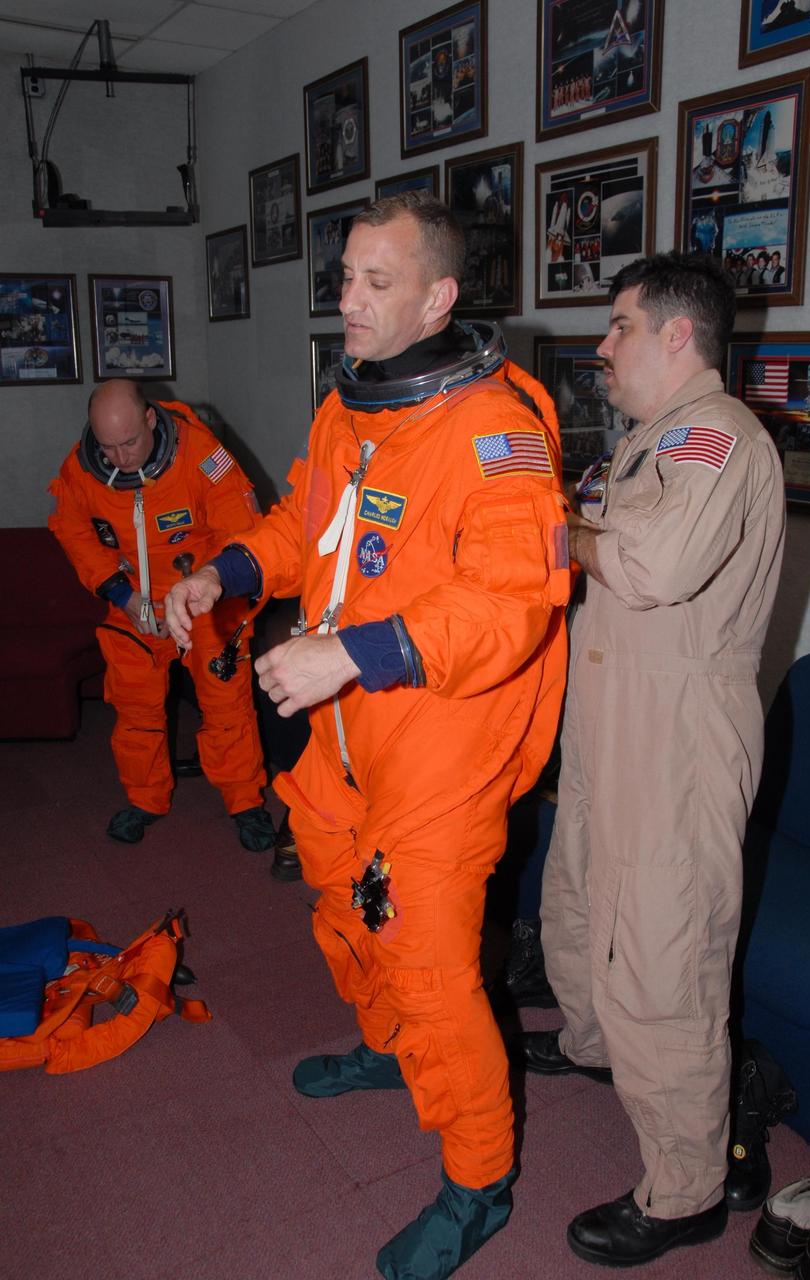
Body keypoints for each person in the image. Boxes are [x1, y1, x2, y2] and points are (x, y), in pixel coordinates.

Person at [164, 191, 572, 1280]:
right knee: (347, 902)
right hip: (351, 742)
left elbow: (511, 603)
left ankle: (480, 1180)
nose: (345, 299)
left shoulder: (495, 431)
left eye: (373, 282)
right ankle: (391, 1050)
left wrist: (351, 653)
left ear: (438, 296)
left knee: (436, 968)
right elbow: (308, 526)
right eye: (344, 277)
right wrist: (225, 570)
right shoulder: (351, 412)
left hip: (445, 745)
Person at [514, 252, 785, 1268]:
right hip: (611, 718)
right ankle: (591, 1043)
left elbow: (652, 564)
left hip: (676, 740)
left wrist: (563, 530)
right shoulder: (646, 443)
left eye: (620, 324)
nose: (603, 344)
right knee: (580, 893)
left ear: (678, 334)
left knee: (667, 956)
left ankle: (686, 1188)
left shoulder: (717, 435)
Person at [49, 379, 276, 851]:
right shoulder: (82, 468)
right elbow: (72, 531)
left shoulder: (201, 455)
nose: (120, 458)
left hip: (204, 604)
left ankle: (244, 801)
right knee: (134, 710)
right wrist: (117, 590)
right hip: (133, 606)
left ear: (151, 419)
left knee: (226, 705)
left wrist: (206, 587)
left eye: (129, 442)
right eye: (108, 447)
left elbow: (240, 529)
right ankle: (146, 798)